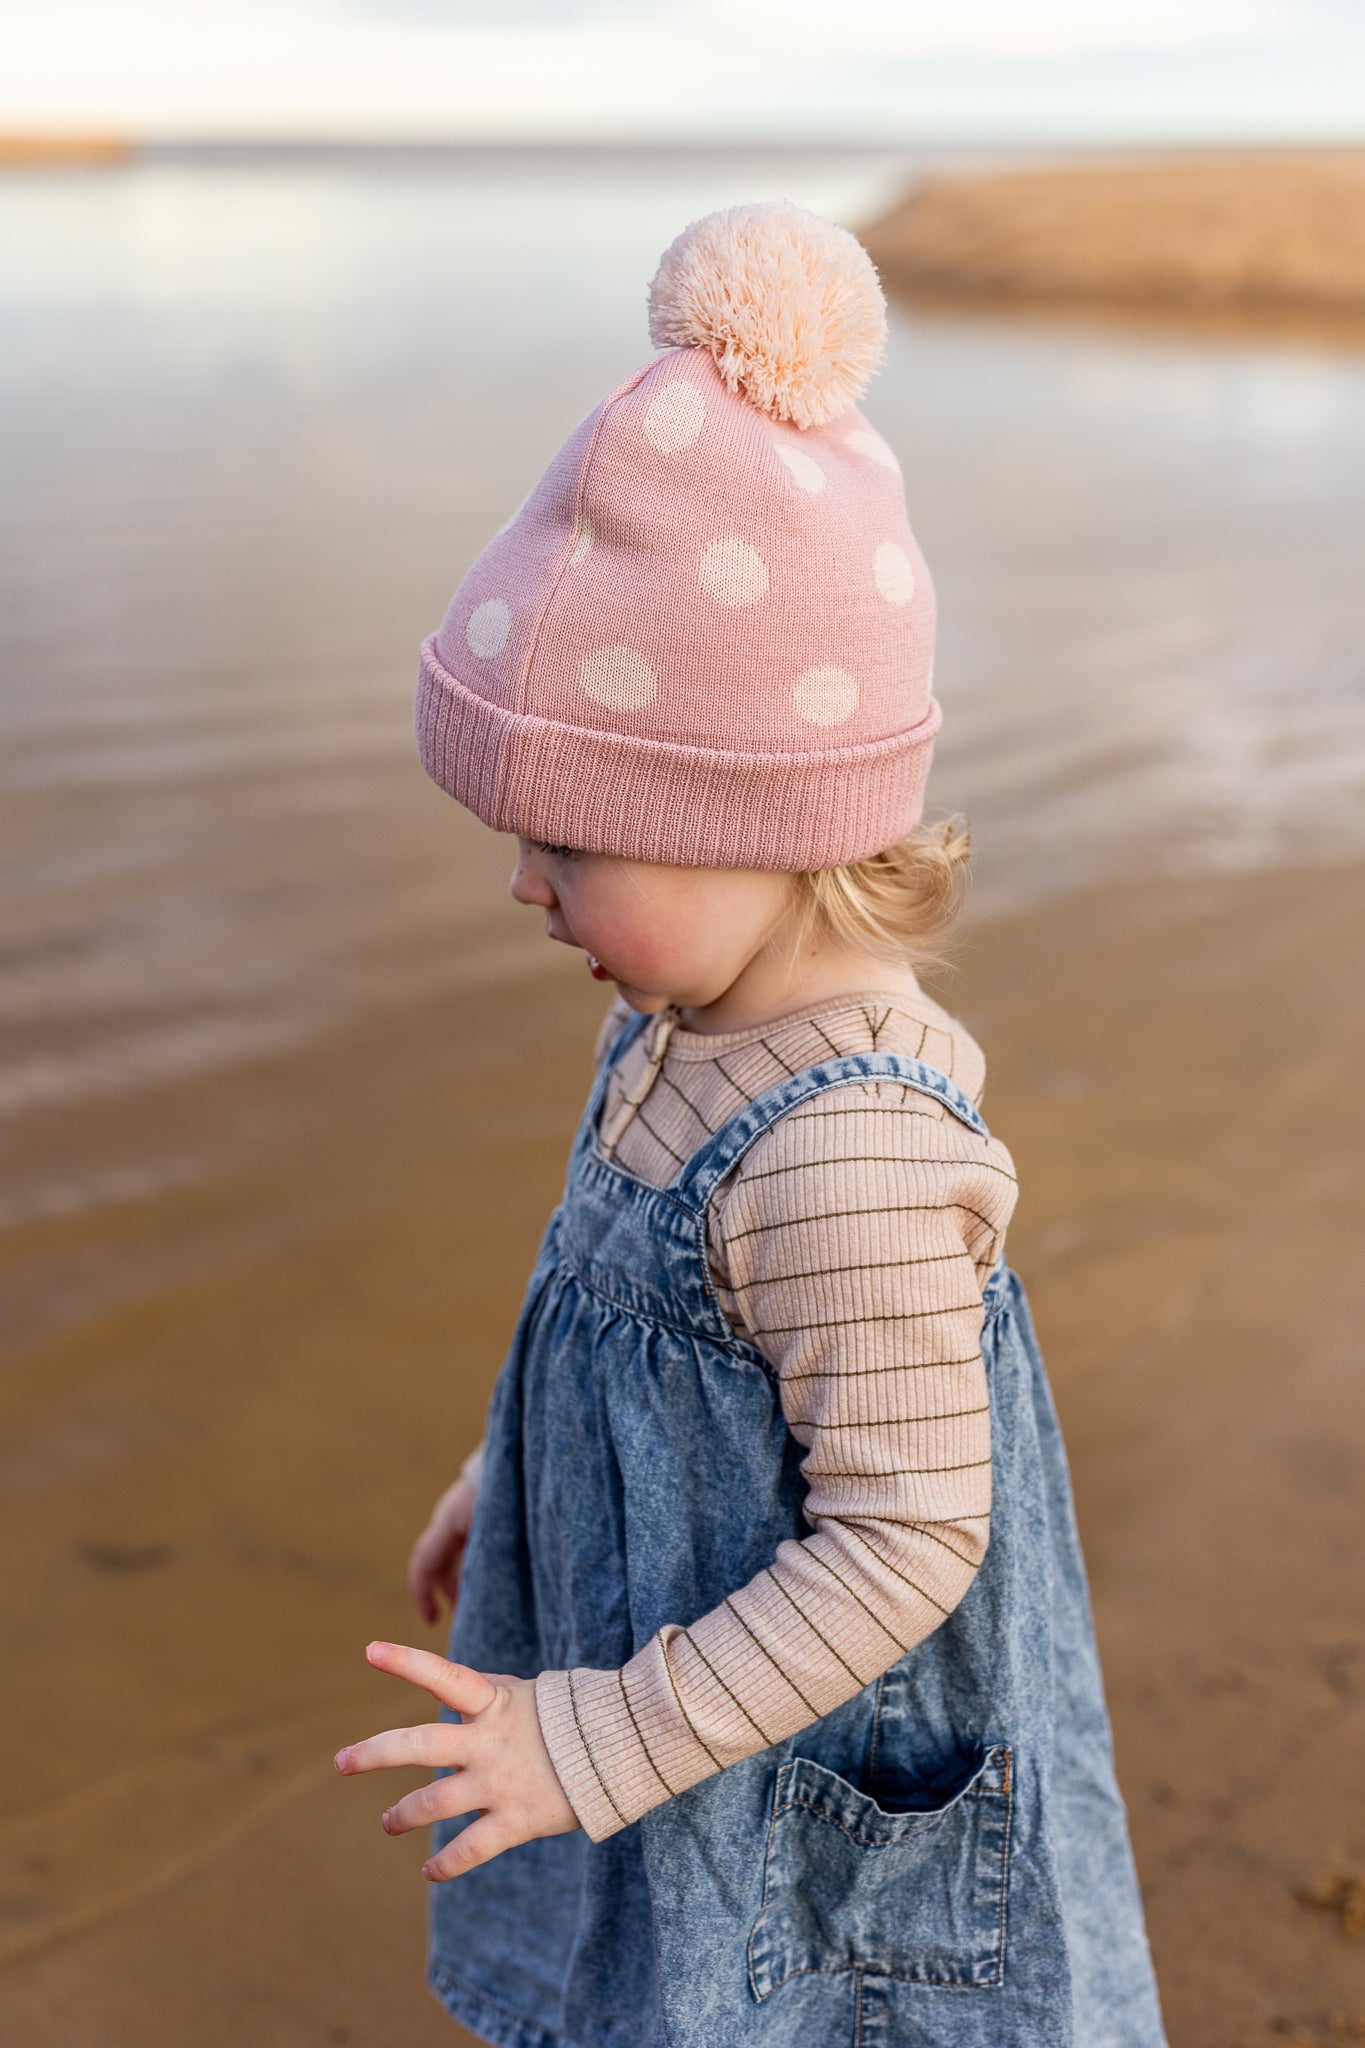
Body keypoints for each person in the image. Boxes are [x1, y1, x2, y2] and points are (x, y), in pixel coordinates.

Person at [334, 201, 1167, 2048]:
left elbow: (899, 1542)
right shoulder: (673, 1015)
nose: (530, 891)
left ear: (762, 826)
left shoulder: (844, 1153)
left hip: (800, 1747)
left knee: (798, 2009)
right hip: (675, 1672)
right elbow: (602, 1315)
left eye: (569, 842)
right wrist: (514, 1470)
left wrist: (589, 1730)